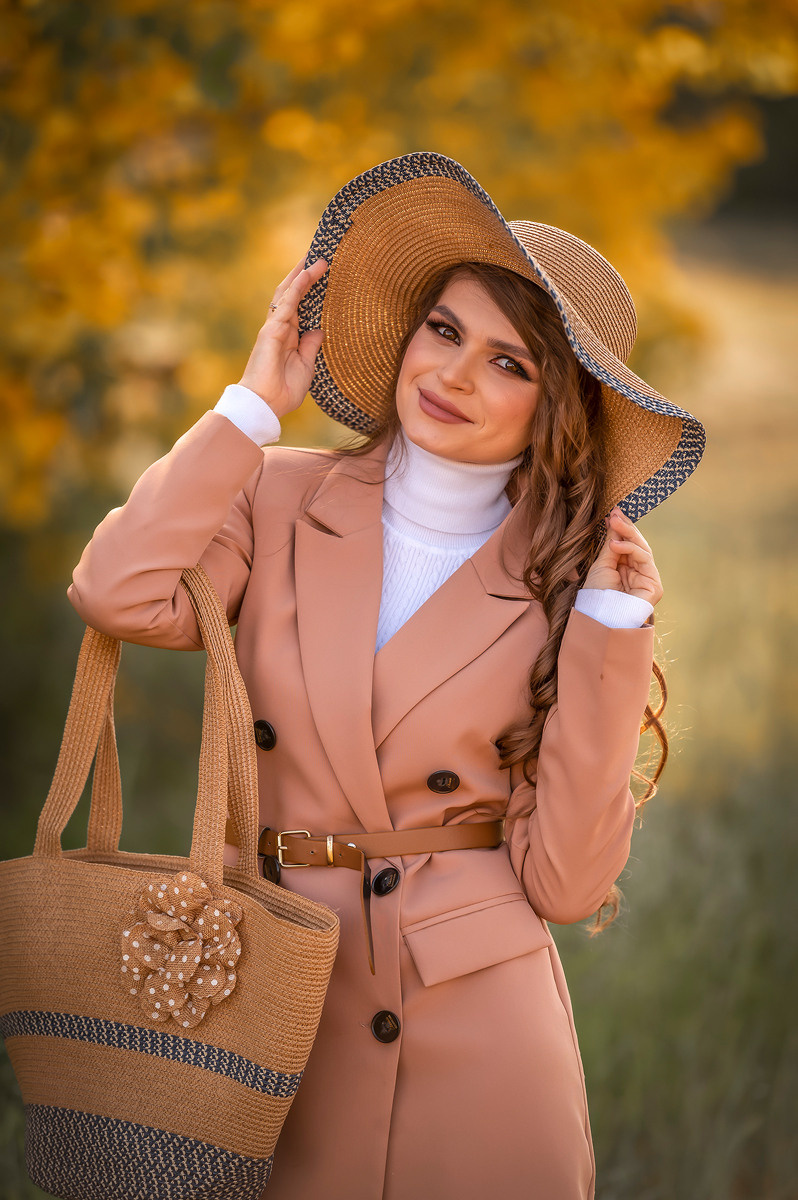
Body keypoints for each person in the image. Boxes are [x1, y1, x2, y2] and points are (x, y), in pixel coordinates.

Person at [68, 152, 705, 1200]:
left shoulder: (571, 578)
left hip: (477, 1027)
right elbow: (115, 591)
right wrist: (250, 407)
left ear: (557, 406)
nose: (453, 375)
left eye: (509, 363)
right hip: (273, 994)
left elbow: (566, 884)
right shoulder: (276, 496)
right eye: (444, 331)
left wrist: (613, 626)